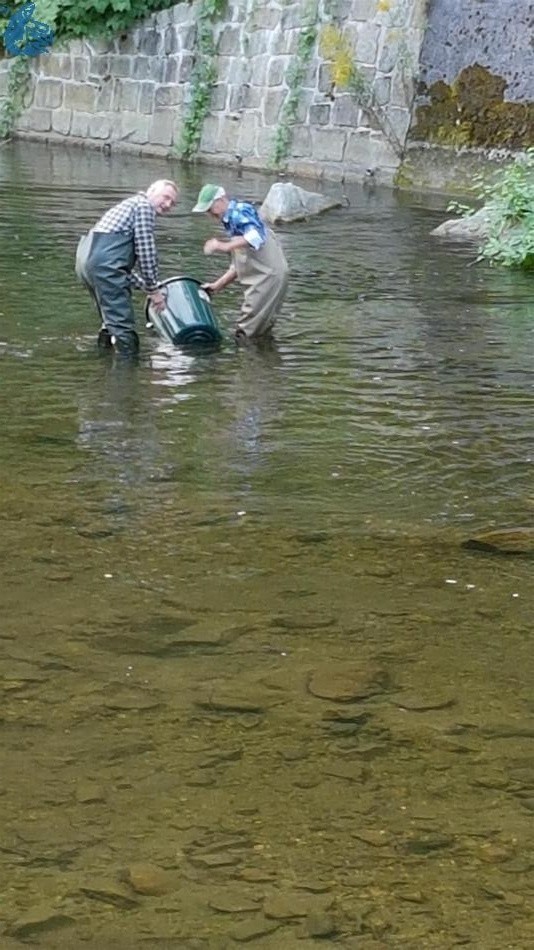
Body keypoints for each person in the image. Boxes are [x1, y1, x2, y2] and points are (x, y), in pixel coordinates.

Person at [75, 179, 179, 357]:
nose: (168, 204)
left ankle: (104, 359)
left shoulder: (130, 205)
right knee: (124, 327)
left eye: (173, 202)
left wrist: (146, 287)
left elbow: (116, 266)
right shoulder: (144, 207)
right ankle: (127, 374)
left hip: (85, 262)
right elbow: (146, 251)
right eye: (166, 197)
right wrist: (154, 290)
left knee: (110, 321)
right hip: (102, 266)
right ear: (151, 190)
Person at [192, 184, 289, 342]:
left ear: (221, 200)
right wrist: (218, 285)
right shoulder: (230, 220)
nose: (209, 214)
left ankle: (248, 363)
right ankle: (264, 361)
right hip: (263, 278)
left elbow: (256, 236)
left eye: (210, 208)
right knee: (259, 331)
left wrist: (222, 246)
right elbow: (239, 262)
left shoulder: (239, 211)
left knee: (246, 332)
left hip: (268, 278)